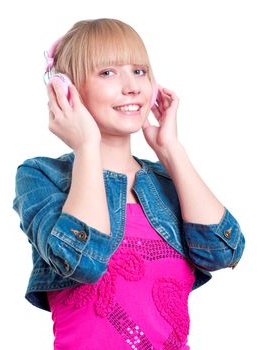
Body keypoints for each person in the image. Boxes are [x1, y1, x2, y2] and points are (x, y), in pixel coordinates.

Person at [13, 18, 245, 350]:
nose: (133, 86)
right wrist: (86, 147)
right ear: (65, 90)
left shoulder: (168, 182)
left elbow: (224, 252)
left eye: (139, 71)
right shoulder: (42, 177)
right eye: (107, 72)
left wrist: (170, 151)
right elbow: (82, 262)